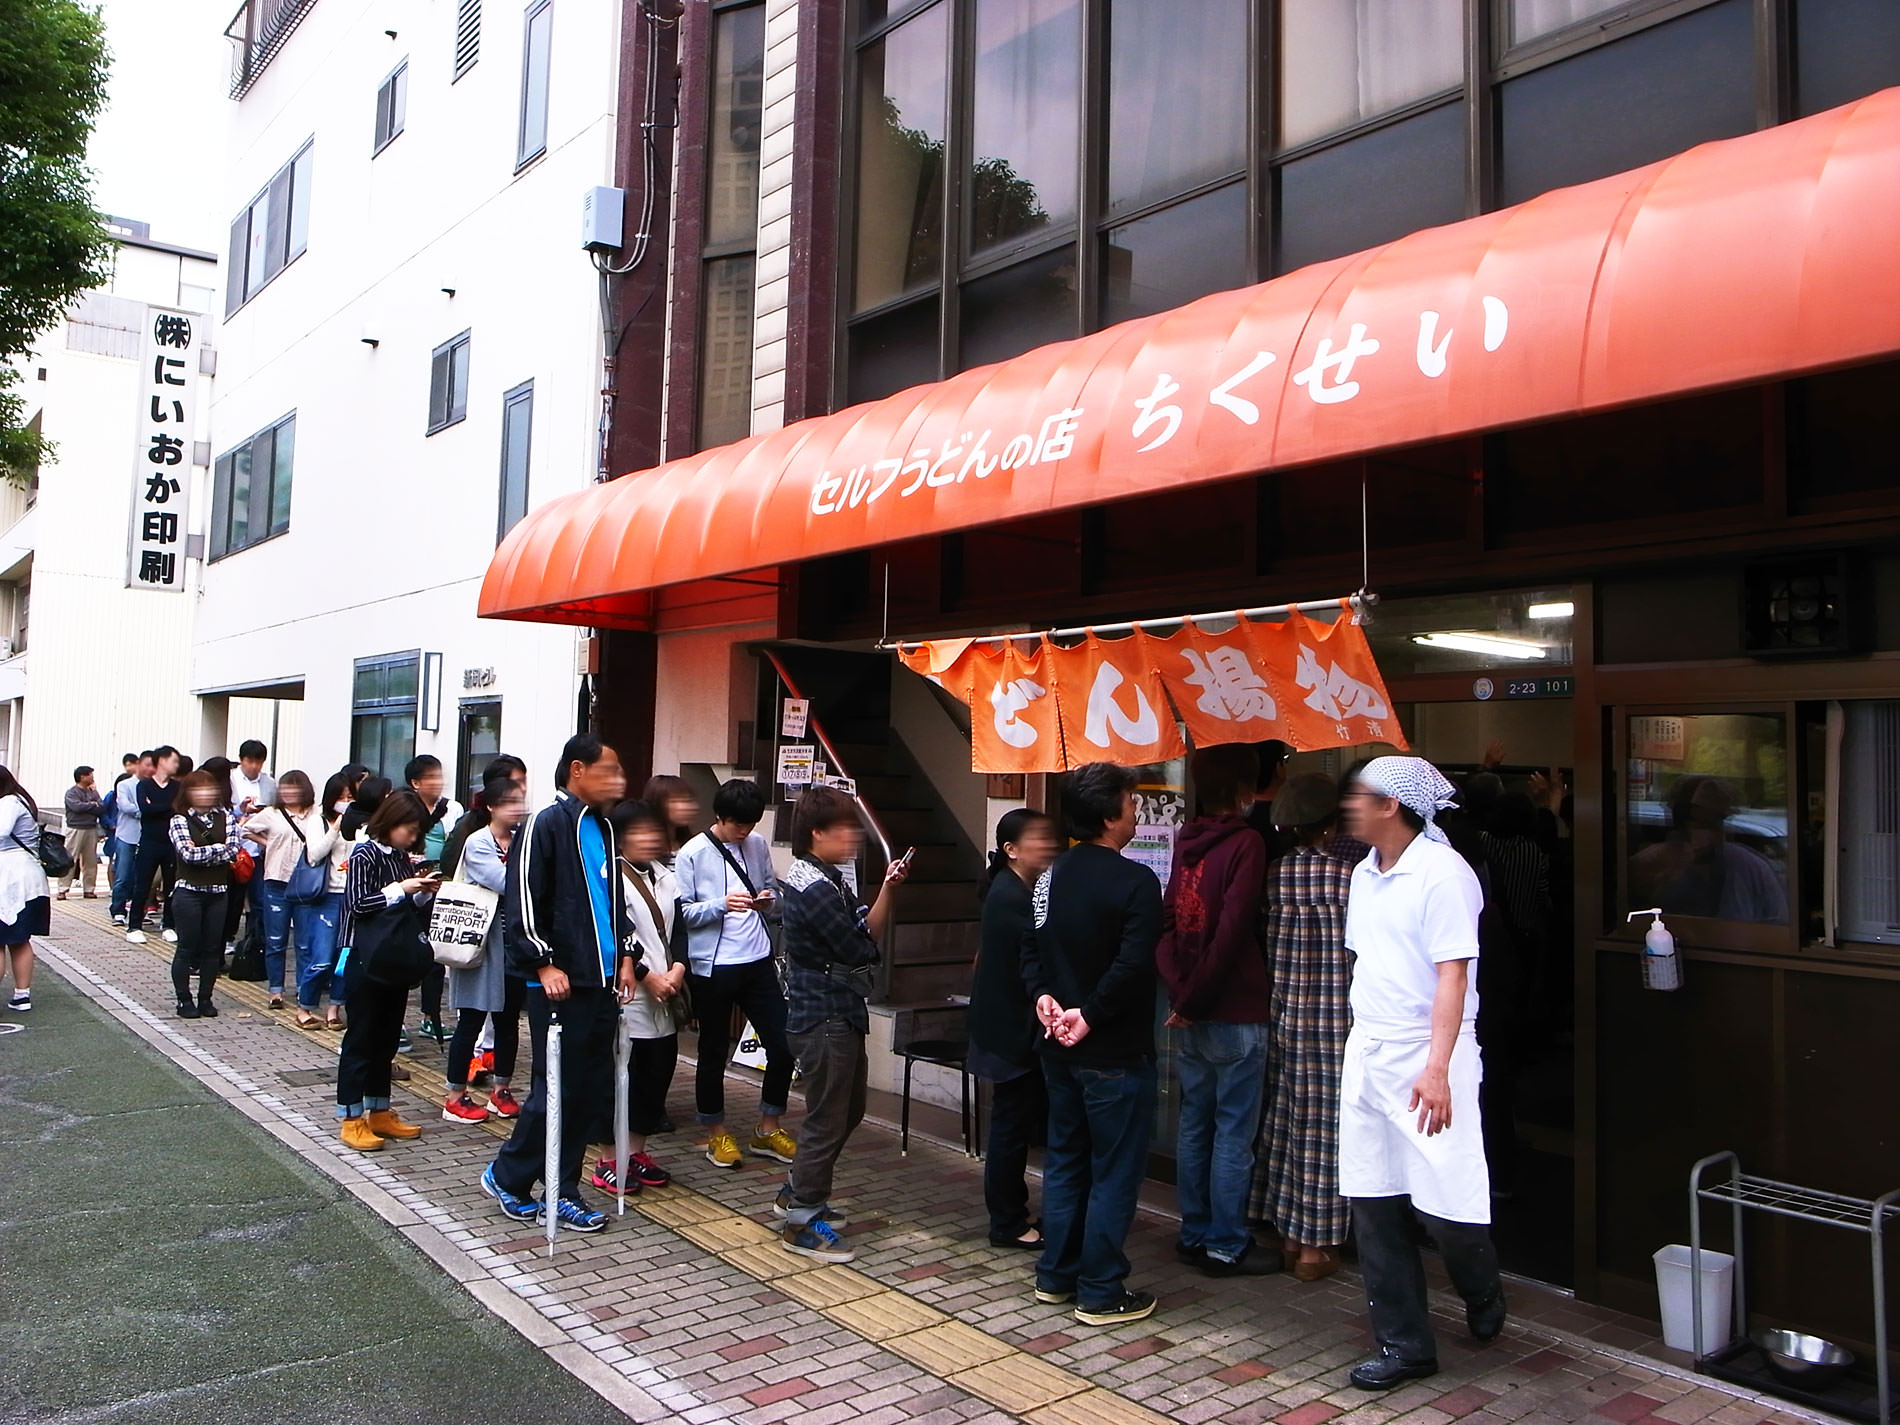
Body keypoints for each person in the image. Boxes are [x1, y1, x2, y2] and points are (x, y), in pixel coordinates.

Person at [1337, 757, 1505, 1391]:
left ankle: (1480, 1288)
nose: (1350, 805)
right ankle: (1405, 1345)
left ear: (1391, 806)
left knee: (1448, 1204)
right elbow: (1368, 963)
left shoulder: (1443, 873)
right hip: (1372, 1049)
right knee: (1373, 1199)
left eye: (1362, 796)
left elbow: (1453, 974)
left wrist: (1437, 1070)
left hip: (1433, 1052)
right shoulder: (1363, 873)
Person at [1023, 762, 1165, 1328]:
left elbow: (1030, 949)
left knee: (1065, 1161)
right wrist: (1090, 1014)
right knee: (1112, 1170)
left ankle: (1057, 1275)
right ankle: (1101, 1289)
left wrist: (1045, 999)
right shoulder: (1136, 881)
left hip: (1059, 1047)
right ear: (1110, 814)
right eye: (1131, 801)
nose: (1136, 811)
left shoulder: (1048, 877)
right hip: (1113, 1051)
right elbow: (1134, 965)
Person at [481, 735, 629, 1234]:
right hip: (560, 984)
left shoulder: (604, 828)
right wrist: (544, 963)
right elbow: (521, 904)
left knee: (586, 1091)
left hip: (602, 982)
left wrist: (626, 956)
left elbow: (616, 902)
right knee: (556, 1090)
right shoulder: (546, 824)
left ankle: (560, 1187)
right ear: (579, 770)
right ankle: (511, 1176)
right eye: (610, 770)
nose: (619, 780)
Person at [772, 785, 908, 1262]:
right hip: (823, 1013)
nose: (854, 836)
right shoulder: (811, 886)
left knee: (846, 1110)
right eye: (845, 828)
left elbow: (866, 931)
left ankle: (798, 1191)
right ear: (817, 833)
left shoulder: (825, 877)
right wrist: (863, 939)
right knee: (828, 1115)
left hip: (837, 1010)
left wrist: (888, 888)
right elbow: (859, 948)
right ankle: (802, 1217)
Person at [1157, 744, 1279, 1277]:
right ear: (1244, 789)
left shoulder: (1188, 841)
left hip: (1190, 1009)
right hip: (1234, 1009)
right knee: (1232, 1131)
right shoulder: (1248, 843)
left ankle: (1194, 1231)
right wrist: (1195, 998)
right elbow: (1231, 933)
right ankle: (1225, 1244)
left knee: (1194, 1125)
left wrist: (1181, 995)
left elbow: (1167, 926)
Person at [1252, 773, 1355, 1283]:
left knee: (1285, 1122)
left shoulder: (1272, 875)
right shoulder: (1350, 879)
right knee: (1325, 1133)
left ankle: (1287, 1233)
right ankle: (1315, 1246)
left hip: (1281, 1014)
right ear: (1333, 823)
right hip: (1336, 1021)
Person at [675, 778, 798, 1170]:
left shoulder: (758, 845)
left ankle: (768, 1126)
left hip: (758, 959)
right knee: (713, 1050)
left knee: (782, 1044)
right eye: (737, 825)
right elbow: (683, 914)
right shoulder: (693, 853)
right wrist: (721, 905)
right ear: (719, 817)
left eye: (750, 824)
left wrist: (767, 901)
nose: (744, 832)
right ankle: (716, 1134)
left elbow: (772, 893)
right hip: (713, 966)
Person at [969, 808, 1059, 1251]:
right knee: (1009, 1128)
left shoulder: (1017, 888)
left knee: (1012, 1125)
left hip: (1007, 1028)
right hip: (1009, 1032)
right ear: (1011, 850)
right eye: (1038, 838)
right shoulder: (1012, 897)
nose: (1048, 844)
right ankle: (1006, 1221)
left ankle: (1011, 1214)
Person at [591, 799, 688, 1194]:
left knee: (655, 1074)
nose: (650, 839)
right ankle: (607, 1159)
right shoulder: (608, 876)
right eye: (640, 832)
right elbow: (614, 937)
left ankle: (637, 1152)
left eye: (654, 831)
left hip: (667, 990)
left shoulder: (666, 875)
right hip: (629, 993)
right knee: (619, 1076)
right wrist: (649, 977)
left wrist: (678, 969)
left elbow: (678, 930)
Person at [335, 788, 438, 1149]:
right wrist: (401, 888)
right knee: (361, 1038)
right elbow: (359, 904)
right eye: (408, 830)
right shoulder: (365, 852)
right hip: (365, 956)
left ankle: (379, 1110)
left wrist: (422, 891)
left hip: (393, 955)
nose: (411, 838)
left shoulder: (399, 856)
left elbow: (404, 905)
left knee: (386, 1037)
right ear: (391, 822)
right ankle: (351, 1117)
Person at [441, 774, 528, 1124]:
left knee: (508, 1022)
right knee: (471, 1021)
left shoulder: (523, 839)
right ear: (491, 807)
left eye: (520, 801)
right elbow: (507, 883)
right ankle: (455, 1095)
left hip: (515, 946)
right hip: (480, 946)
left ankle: (501, 1089)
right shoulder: (478, 843)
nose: (517, 809)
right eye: (509, 802)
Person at [245, 771, 337, 1026]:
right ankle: (275, 989)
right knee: (276, 939)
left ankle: (302, 990)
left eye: (294, 789)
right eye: (285, 788)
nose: (288, 793)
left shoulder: (317, 815)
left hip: (307, 885)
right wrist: (267, 842)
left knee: (305, 943)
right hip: (276, 880)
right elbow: (245, 829)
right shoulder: (272, 814)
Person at [167, 769, 243, 1018]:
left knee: (213, 948)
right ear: (188, 793)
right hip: (188, 891)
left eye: (210, 789)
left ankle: (206, 998)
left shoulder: (227, 817)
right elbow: (186, 855)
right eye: (199, 790)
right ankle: (183, 1000)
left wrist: (205, 849)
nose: (206, 794)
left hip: (218, 892)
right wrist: (217, 849)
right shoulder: (179, 819)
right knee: (187, 947)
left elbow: (233, 850)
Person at [407, 754, 465, 1043]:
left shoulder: (452, 808)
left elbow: (456, 845)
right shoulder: (405, 807)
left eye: (439, 775)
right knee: (404, 953)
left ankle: (432, 1017)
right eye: (430, 777)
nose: (437, 782)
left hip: (441, 888)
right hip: (409, 888)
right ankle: (396, 1024)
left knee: (435, 956)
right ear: (415, 782)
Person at [0, 766, 49, 1012]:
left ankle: (21, 994)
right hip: (26, 880)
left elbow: (0, 832)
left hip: (11, 881)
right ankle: (22, 994)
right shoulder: (20, 800)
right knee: (19, 939)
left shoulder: (8, 802)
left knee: (3, 939)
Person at [126, 746, 182, 945]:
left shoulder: (177, 787)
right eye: (174, 761)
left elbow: (179, 810)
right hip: (149, 841)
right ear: (163, 761)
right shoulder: (144, 785)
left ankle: (168, 924)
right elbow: (145, 810)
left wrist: (158, 807)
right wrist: (168, 807)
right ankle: (134, 925)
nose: (177, 765)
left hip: (171, 843)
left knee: (170, 886)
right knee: (142, 884)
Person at [109, 752, 152, 927]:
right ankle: (118, 910)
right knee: (123, 875)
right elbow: (125, 806)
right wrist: (147, 810)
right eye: (147, 764)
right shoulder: (125, 784)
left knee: (143, 878)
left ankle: (139, 911)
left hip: (147, 836)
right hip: (127, 835)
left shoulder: (153, 785)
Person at [58, 766, 104, 900]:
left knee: (90, 860)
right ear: (82, 777)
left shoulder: (93, 791)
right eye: (90, 775)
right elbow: (76, 807)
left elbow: (101, 807)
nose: (92, 777)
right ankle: (63, 889)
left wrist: (91, 805)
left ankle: (89, 889)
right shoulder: (71, 792)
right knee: (69, 858)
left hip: (91, 828)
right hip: (75, 828)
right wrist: (92, 805)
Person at [642, 774, 700, 865]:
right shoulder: (645, 849)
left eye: (689, 800)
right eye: (677, 800)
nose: (689, 807)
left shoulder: (693, 845)